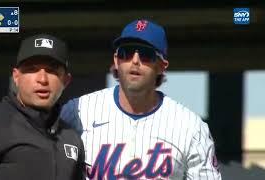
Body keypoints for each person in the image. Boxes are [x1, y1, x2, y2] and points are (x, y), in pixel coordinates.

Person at [60, 20, 222, 179]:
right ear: (116, 60)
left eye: (146, 55)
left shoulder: (190, 126)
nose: (135, 61)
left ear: (161, 66)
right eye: (127, 52)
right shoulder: (79, 110)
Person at [0, 34, 85, 180]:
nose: (42, 79)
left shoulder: (71, 138)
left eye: (52, 71)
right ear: (16, 77)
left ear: (66, 80)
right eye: (32, 69)